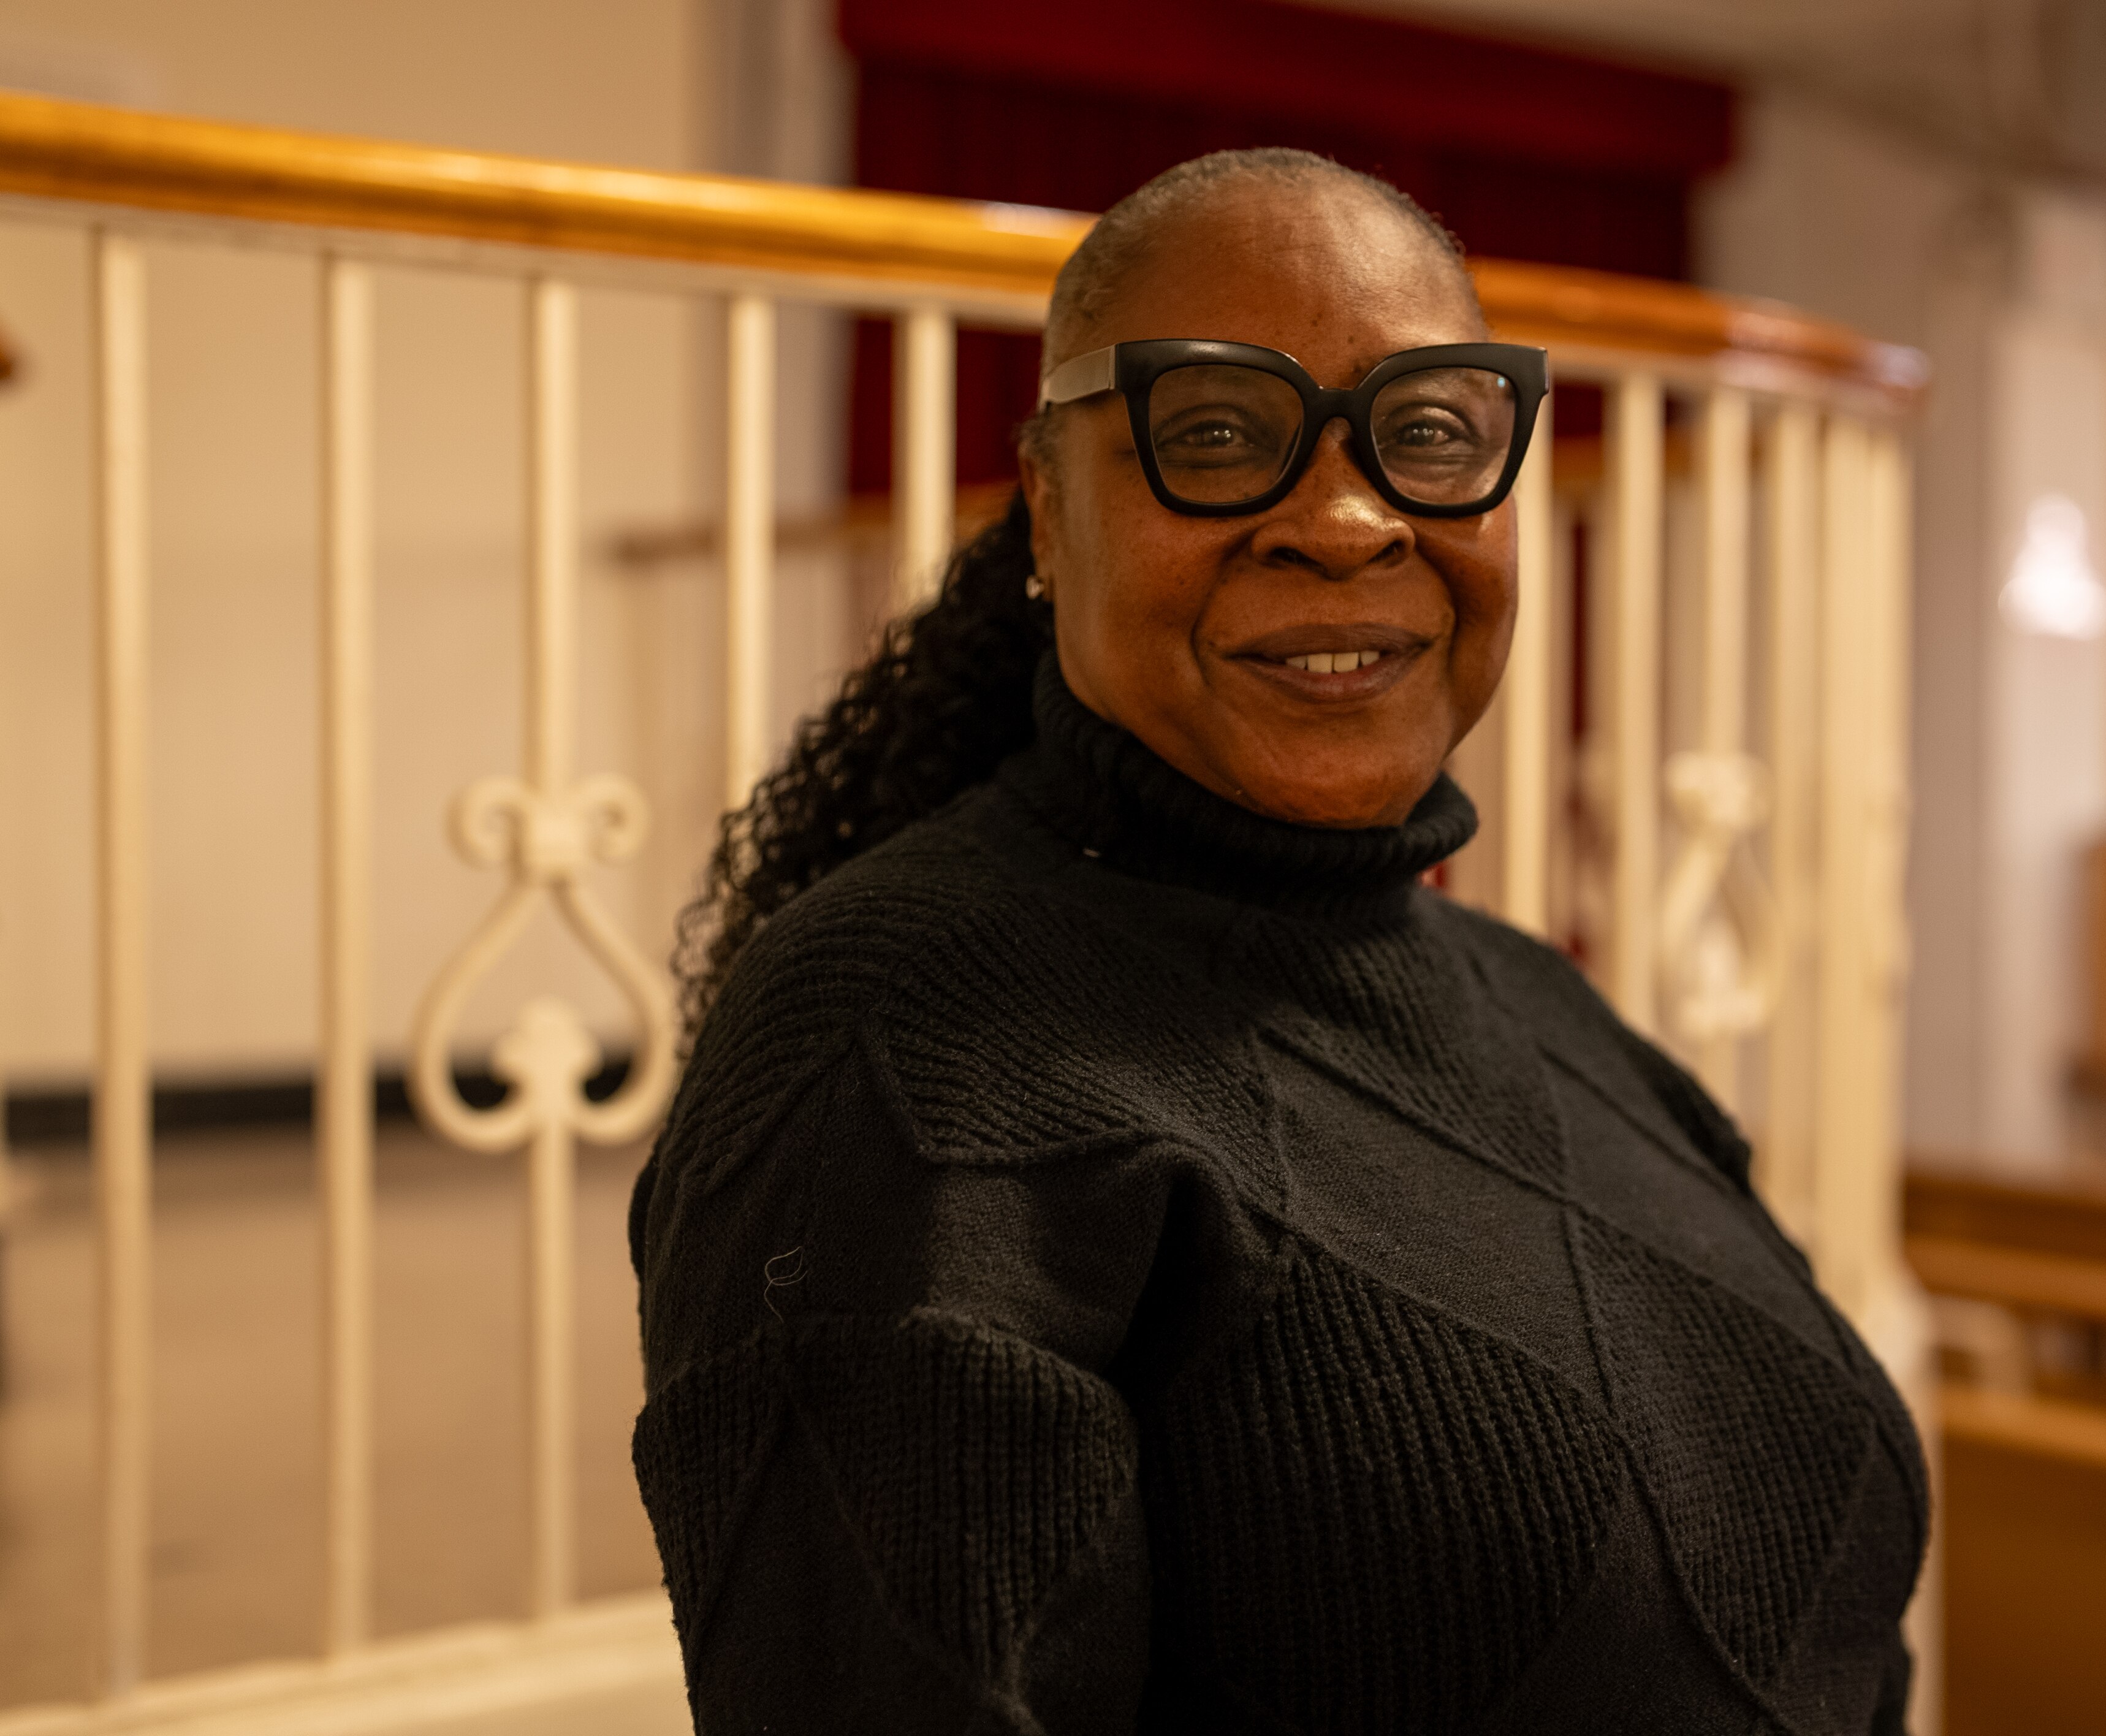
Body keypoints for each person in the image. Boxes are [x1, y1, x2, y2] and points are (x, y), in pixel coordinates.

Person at [630, 147, 1925, 1735]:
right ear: (1047, 509)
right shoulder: (900, 1048)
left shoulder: (1534, 1001)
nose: (1348, 521)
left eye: (1429, 432)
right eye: (1217, 434)